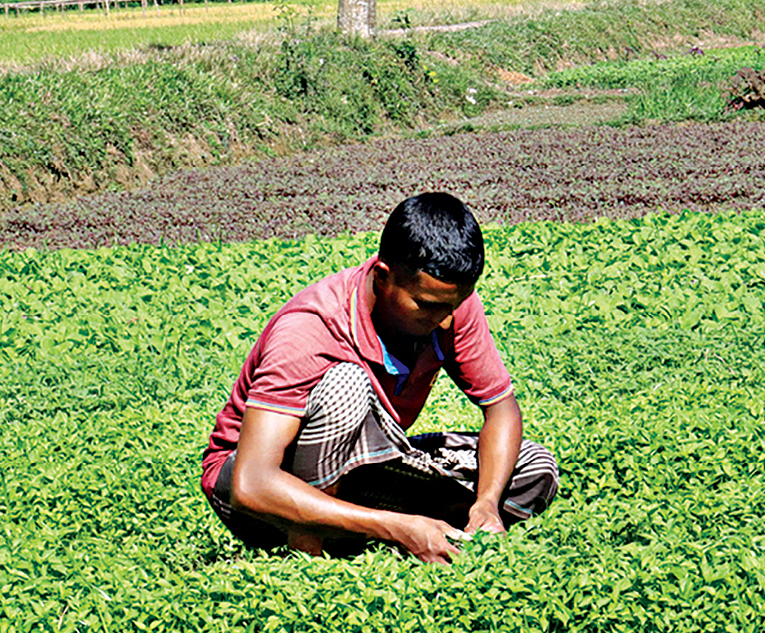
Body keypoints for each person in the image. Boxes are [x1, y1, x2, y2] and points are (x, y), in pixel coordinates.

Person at [202, 192, 558, 564]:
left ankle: (382, 536)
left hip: (358, 468)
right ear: (383, 276)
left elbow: (501, 411)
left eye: (456, 304)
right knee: (345, 386)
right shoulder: (310, 329)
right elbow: (251, 484)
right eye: (429, 306)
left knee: (534, 467)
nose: (448, 320)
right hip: (260, 495)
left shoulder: (447, 306)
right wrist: (396, 526)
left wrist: (486, 504)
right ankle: (313, 552)